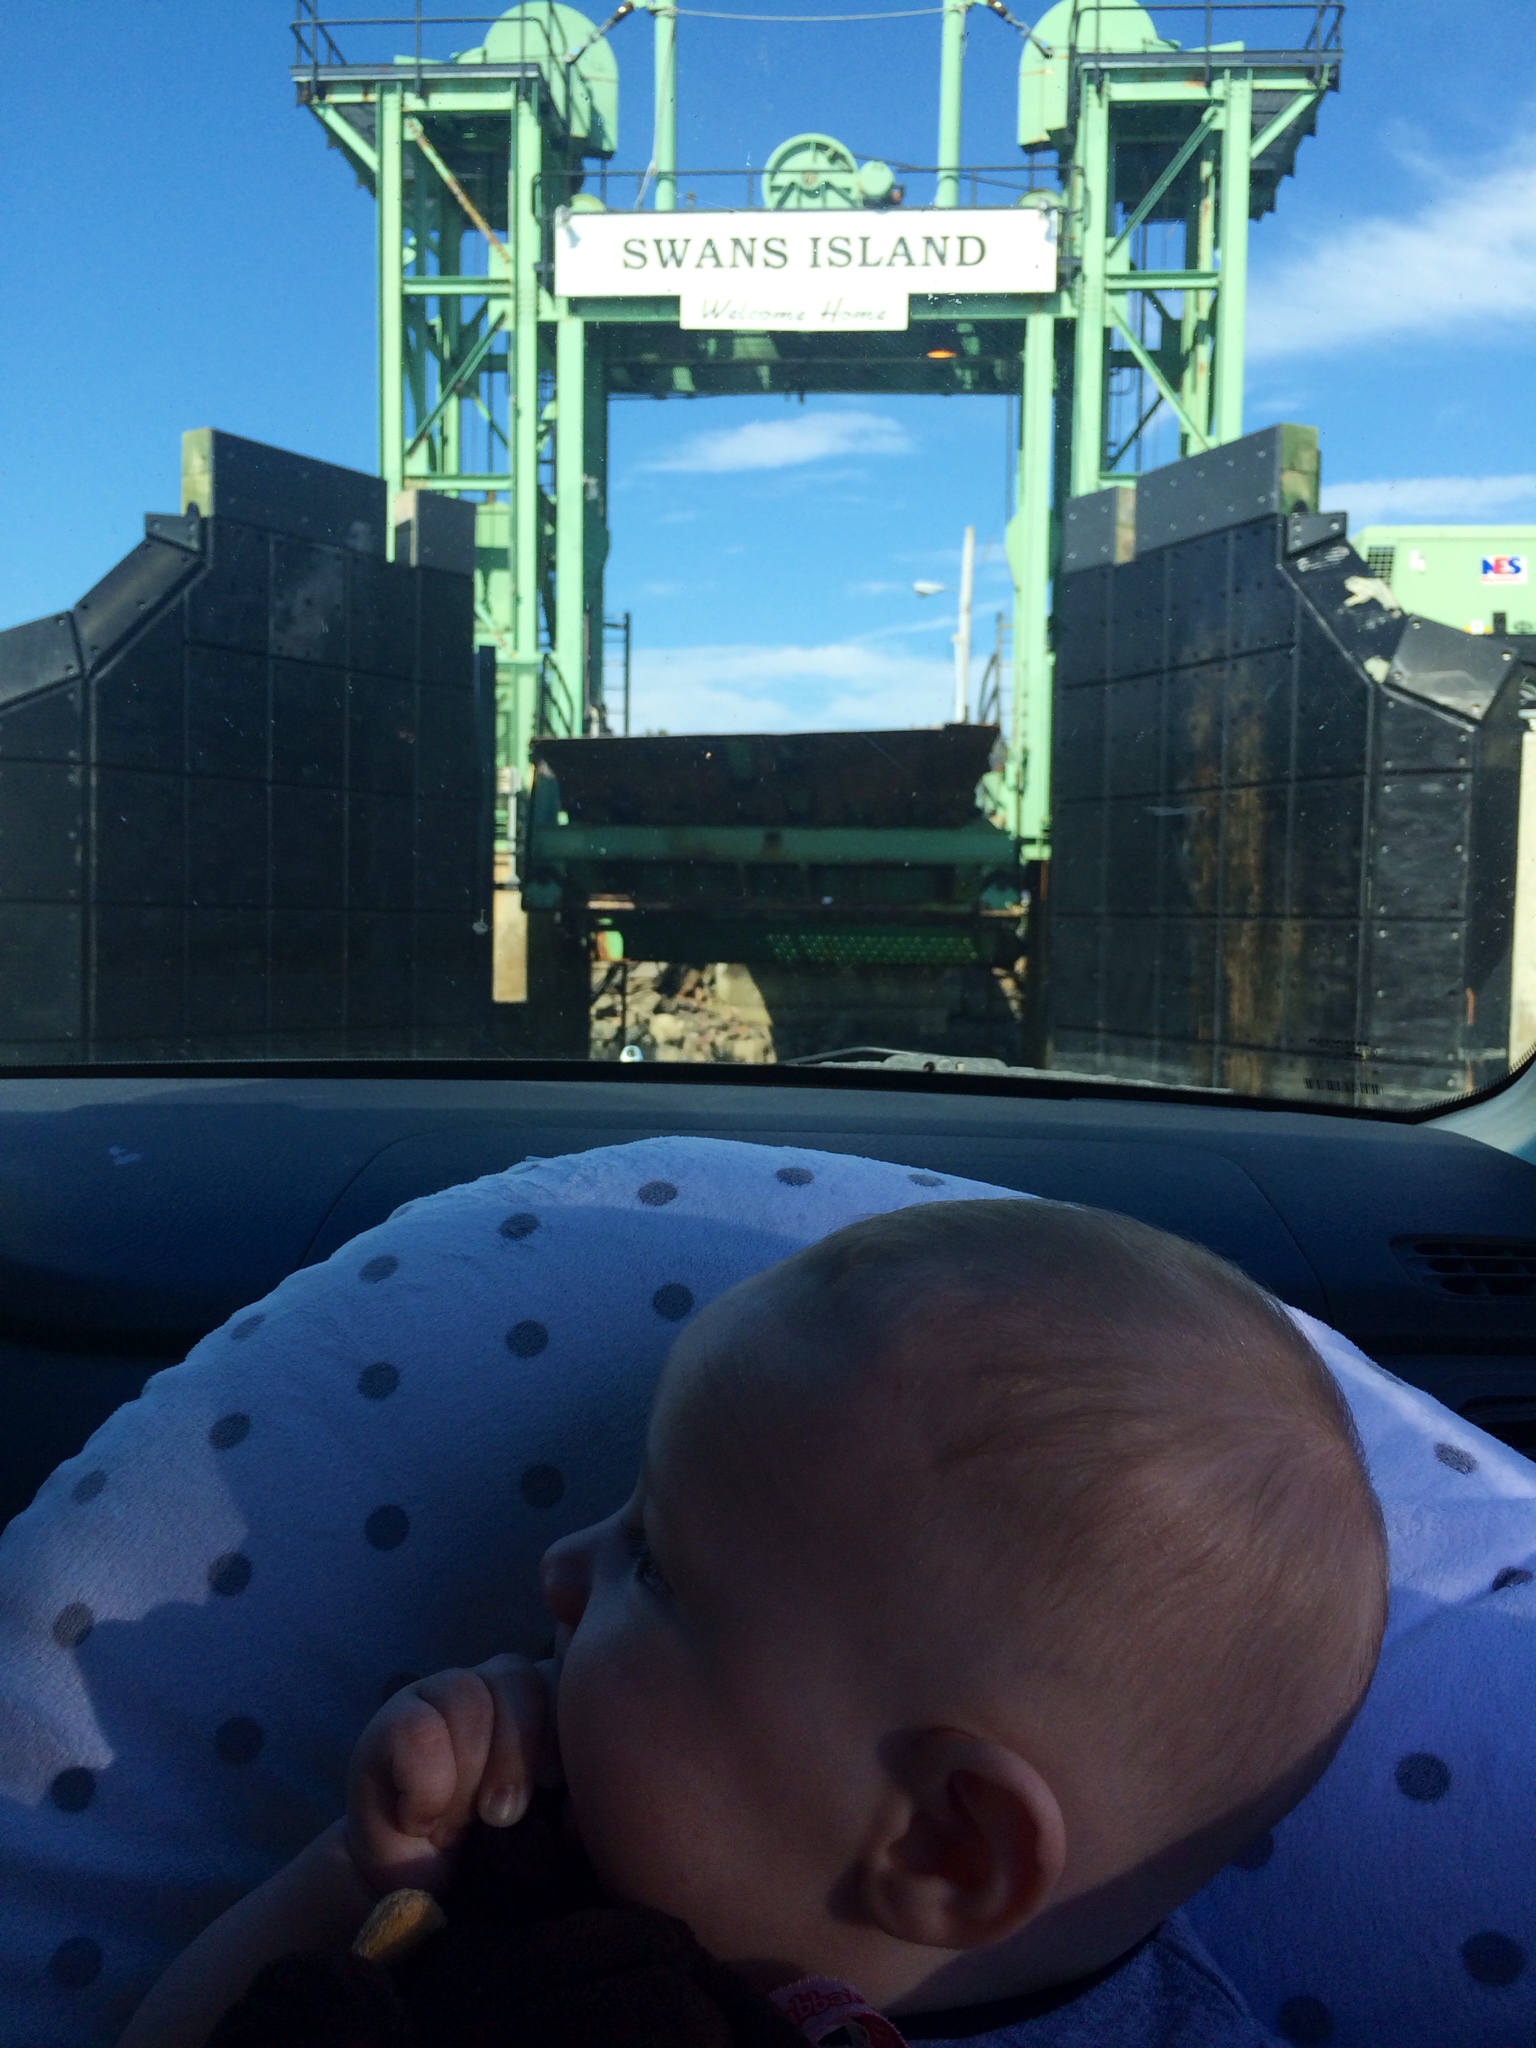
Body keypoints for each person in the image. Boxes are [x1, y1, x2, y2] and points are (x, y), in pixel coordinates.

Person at [120, 1199, 1388, 2047]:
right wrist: (368, 1875)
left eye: (654, 1565)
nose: (558, 1566)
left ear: (945, 1843)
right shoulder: (537, 1881)